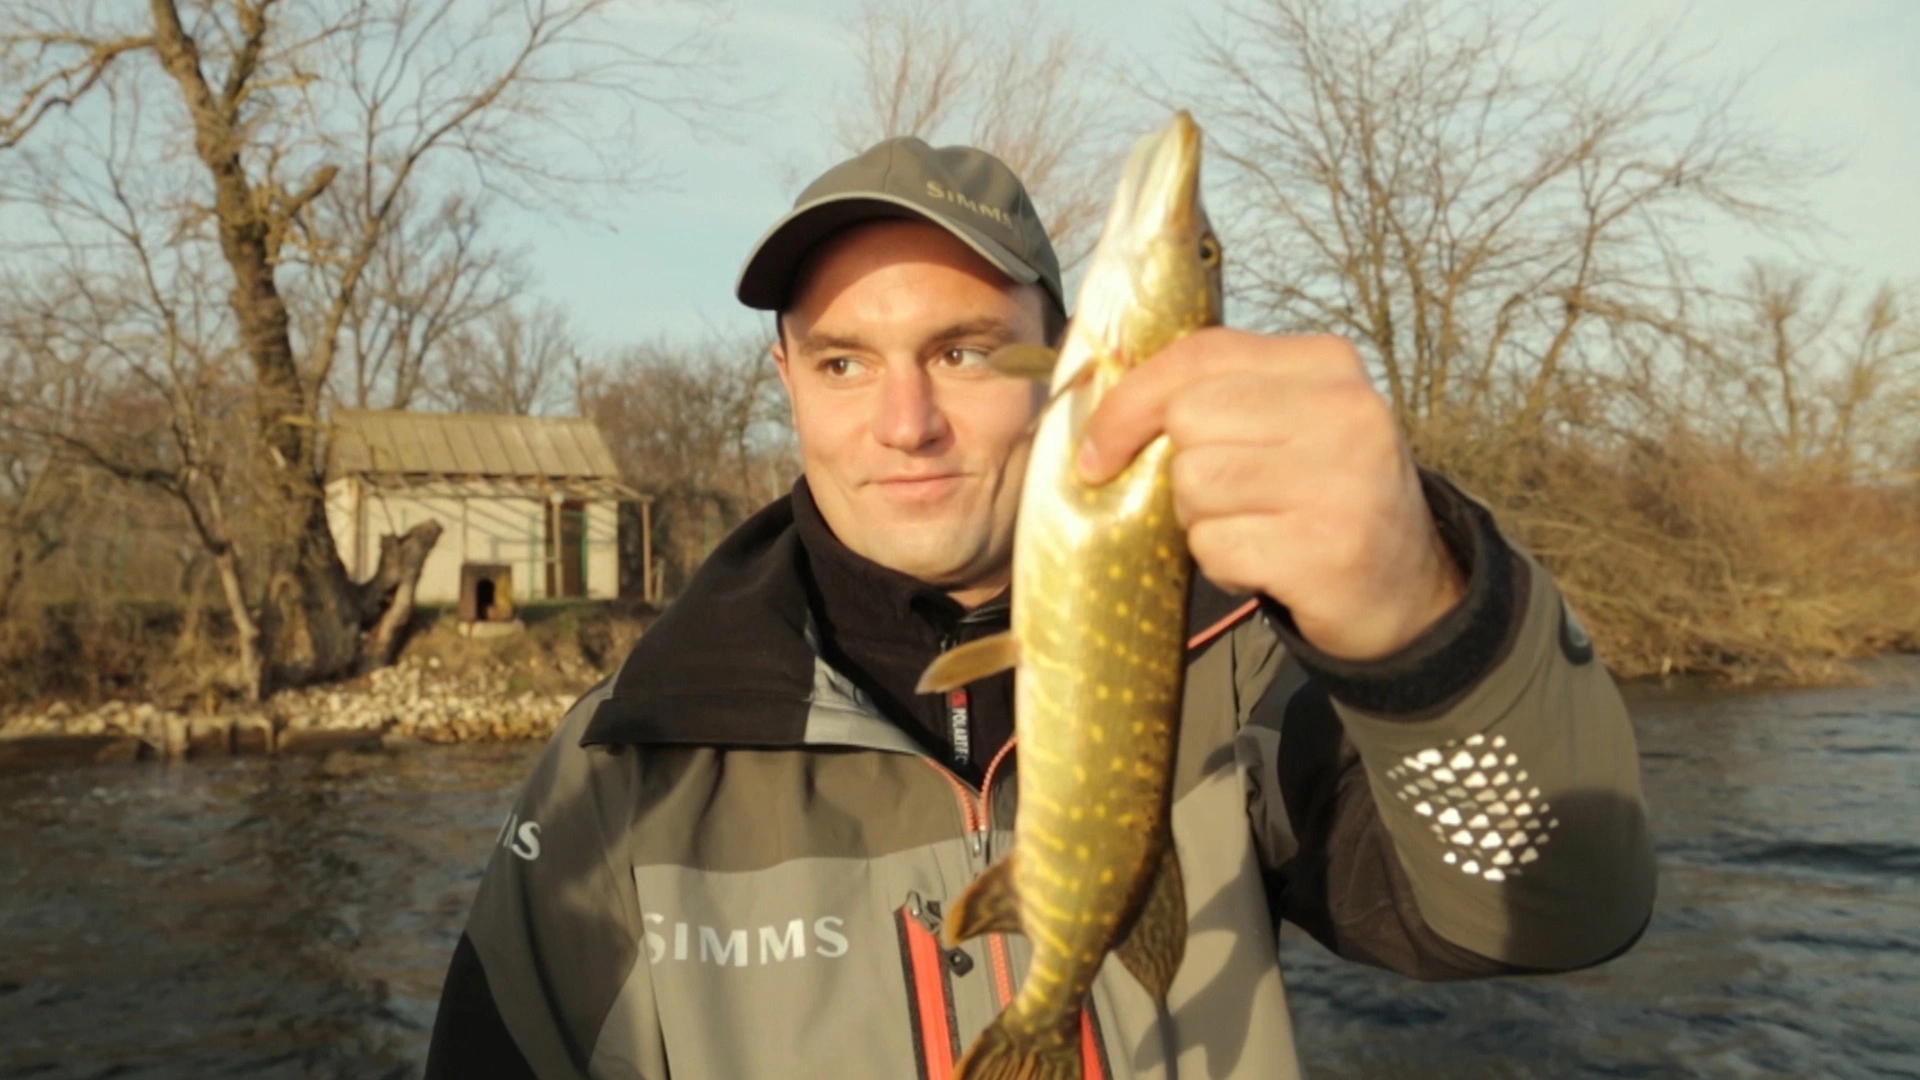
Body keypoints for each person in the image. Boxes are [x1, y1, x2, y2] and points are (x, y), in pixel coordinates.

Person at [424, 135, 1655, 1079]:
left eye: (965, 351)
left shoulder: (1243, 660)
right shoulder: (620, 772)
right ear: (786, 379)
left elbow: (1552, 911)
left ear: (1059, 361)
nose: (906, 424)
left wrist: (1422, 632)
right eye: (846, 361)